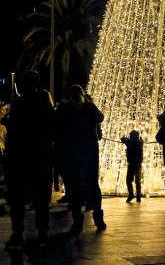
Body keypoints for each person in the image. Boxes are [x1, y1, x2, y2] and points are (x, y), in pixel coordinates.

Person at [4, 70, 54, 251]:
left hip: (22, 156)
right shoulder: (43, 101)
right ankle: (41, 233)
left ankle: (18, 233)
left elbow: (14, 128)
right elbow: (51, 126)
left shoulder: (20, 102)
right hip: (39, 156)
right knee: (40, 198)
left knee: (19, 199)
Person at [55, 84, 105, 234]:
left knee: (75, 187)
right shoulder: (88, 108)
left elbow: (58, 127)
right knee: (92, 185)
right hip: (88, 150)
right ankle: (98, 218)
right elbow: (100, 117)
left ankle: (78, 221)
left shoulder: (65, 109)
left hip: (72, 151)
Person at [121, 130, 143, 202]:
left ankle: (131, 194)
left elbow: (122, 139)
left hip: (131, 164)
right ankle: (138, 196)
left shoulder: (129, 142)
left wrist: (126, 138)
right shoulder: (140, 142)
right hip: (138, 164)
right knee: (138, 181)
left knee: (128, 180)